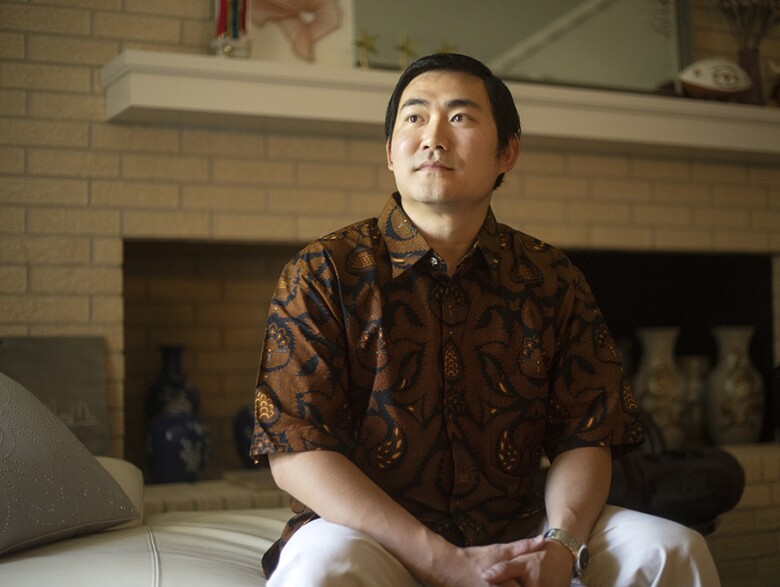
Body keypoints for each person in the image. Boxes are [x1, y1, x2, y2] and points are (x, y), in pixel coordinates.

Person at [250, 53, 721, 587]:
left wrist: (561, 547)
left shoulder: (552, 277)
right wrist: (443, 561)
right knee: (322, 566)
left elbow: (586, 436)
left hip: (518, 528)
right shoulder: (323, 271)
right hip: (371, 537)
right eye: (414, 116)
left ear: (508, 152)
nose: (433, 137)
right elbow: (296, 449)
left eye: (459, 117)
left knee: (672, 548)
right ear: (389, 152)